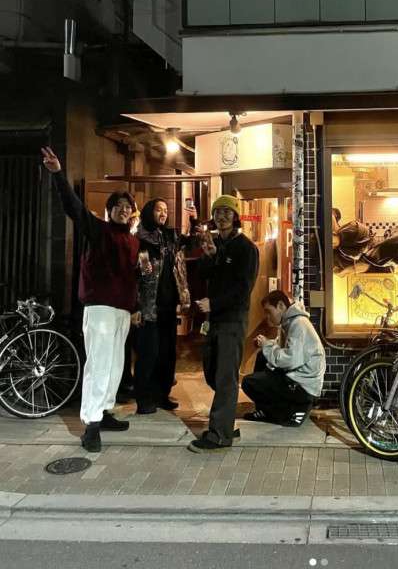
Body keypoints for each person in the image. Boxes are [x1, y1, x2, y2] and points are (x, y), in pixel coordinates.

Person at [41, 147, 144, 453]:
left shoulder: (133, 241)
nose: (123, 210)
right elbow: (73, 208)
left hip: (122, 310)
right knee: (98, 364)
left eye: (127, 207)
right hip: (99, 308)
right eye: (118, 206)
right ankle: (91, 425)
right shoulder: (98, 230)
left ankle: (105, 411)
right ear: (109, 210)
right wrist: (58, 174)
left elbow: (131, 277)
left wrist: (135, 307)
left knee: (115, 365)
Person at [188, 195, 259, 453]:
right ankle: (227, 423)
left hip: (232, 320)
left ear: (236, 216)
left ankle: (219, 435)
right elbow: (203, 274)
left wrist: (215, 303)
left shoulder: (246, 248)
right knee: (212, 371)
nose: (222, 216)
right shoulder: (215, 243)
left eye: (227, 212)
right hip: (214, 320)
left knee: (226, 377)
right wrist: (209, 257)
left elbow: (243, 288)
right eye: (218, 212)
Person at [133, 198, 192, 414]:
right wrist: (135, 306)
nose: (163, 213)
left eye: (166, 210)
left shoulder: (168, 237)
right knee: (149, 354)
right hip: (148, 307)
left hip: (168, 305)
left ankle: (162, 395)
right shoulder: (139, 239)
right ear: (149, 212)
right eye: (159, 209)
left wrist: (194, 221)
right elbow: (136, 276)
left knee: (167, 353)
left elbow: (191, 243)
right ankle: (144, 399)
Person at [242, 290, 325, 427]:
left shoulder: (299, 324)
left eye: (268, 312)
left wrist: (267, 345)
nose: (267, 317)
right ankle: (267, 410)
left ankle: (290, 410)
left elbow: (290, 360)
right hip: (297, 379)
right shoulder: (290, 322)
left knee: (248, 383)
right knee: (262, 357)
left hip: (303, 386)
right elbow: (282, 349)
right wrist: (266, 344)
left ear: (280, 306)